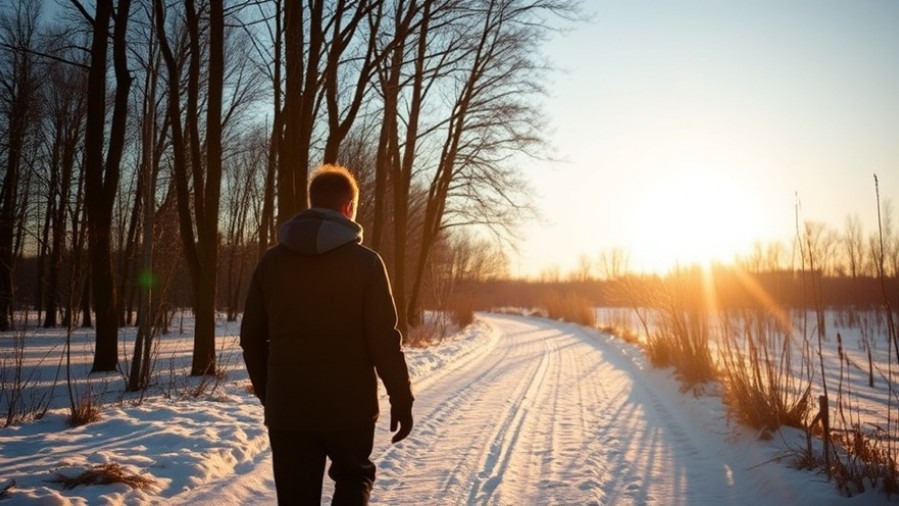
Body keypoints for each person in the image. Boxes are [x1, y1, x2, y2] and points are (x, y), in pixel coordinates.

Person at [240, 164, 414, 505]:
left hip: (288, 407)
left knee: (296, 497)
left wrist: (268, 392)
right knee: (353, 480)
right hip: (350, 407)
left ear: (311, 203)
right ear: (349, 207)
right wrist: (401, 397)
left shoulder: (271, 263)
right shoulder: (367, 263)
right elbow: (384, 339)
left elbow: (251, 338)